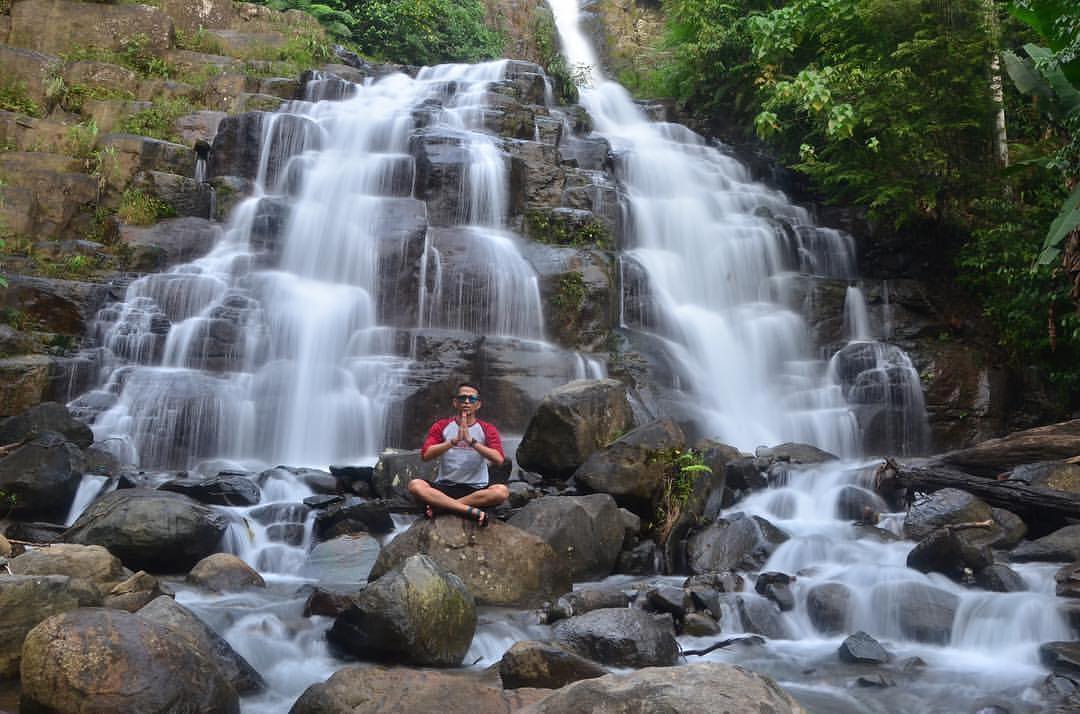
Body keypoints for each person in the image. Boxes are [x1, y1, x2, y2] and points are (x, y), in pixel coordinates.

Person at [408, 383, 508, 526]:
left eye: (471, 399)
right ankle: (469, 510)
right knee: (415, 485)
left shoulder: (487, 429)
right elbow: (426, 455)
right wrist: (452, 442)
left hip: (476, 489)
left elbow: (498, 459)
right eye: (463, 398)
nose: (467, 402)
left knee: (501, 492)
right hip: (445, 486)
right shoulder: (441, 426)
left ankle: (442, 507)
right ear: (455, 402)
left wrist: (472, 442)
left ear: (478, 404)